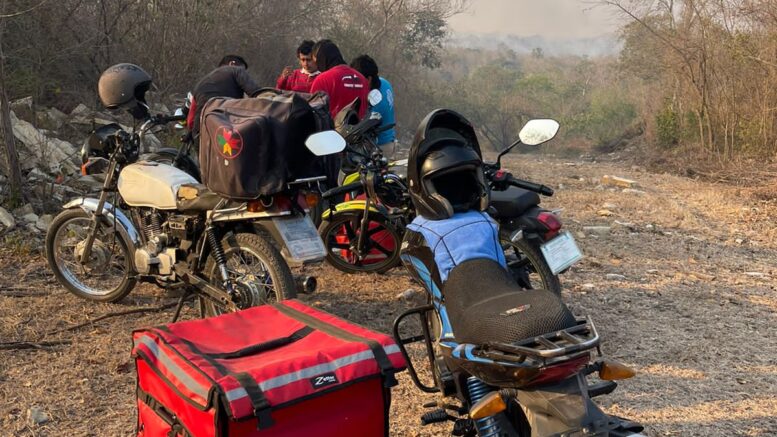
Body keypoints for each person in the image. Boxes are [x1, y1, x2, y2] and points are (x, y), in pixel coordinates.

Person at [187, 55, 262, 139]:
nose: (244, 72)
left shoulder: (200, 83)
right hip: (224, 131)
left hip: (200, 134)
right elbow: (257, 93)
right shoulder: (236, 70)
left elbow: (190, 120)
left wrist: (192, 132)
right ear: (232, 63)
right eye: (243, 70)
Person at [350, 54, 397, 157]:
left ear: (368, 79)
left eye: (357, 79)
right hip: (389, 142)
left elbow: (360, 128)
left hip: (378, 148)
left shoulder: (376, 101)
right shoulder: (385, 83)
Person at [309, 40, 369, 120]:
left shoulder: (322, 80)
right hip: (360, 127)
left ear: (321, 59)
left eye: (316, 62)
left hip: (333, 127)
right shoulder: (362, 79)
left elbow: (313, 115)